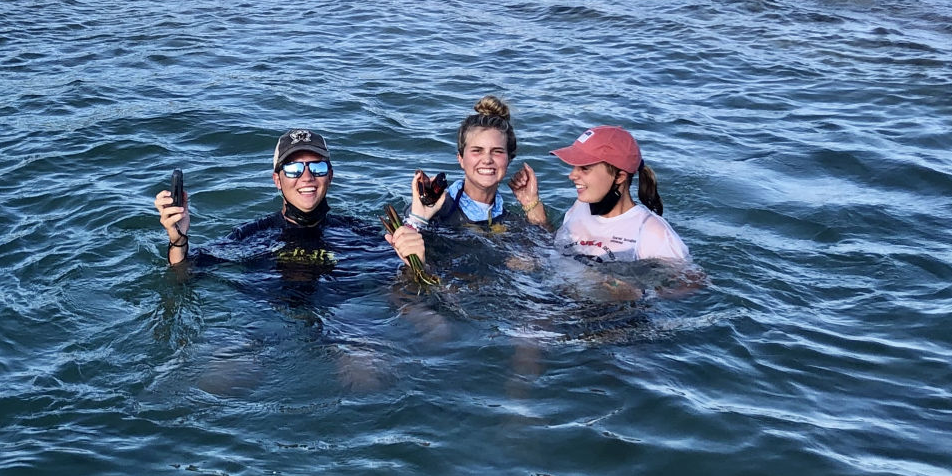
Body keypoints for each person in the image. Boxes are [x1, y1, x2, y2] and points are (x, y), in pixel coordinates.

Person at [154, 128, 377, 279]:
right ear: (277, 180)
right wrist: (178, 240)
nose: (307, 177)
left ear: (330, 176)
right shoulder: (251, 235)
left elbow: (393, 282)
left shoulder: (358, 233)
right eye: (293, 169)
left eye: (317, 167)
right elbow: (184, 275)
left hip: (340, 321)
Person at [384, 96, 548, 271]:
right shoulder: (434, 211)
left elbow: (547, 255)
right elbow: (399, 257)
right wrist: (417, 222)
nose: (487, 159)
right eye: (477, 150)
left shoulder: (511, 221)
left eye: (497, 151)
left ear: (509, 160)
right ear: (461, 159)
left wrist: (531, 203)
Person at [548, 125, 689, 263]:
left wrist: (616, 277)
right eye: (574, 167)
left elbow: (689, 277)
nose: (572, 175)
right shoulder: (580, 206)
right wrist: (535, 207)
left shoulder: (652, 232)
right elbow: (553, 248)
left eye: (584, 168)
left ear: (619, 177)